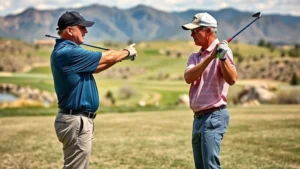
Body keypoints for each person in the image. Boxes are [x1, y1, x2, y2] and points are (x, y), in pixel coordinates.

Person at [51, 11, 137, 169]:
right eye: (82, 27)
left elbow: (97, 67)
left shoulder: (67, 52)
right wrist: (126, 52)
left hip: (76, 119)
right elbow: (106, 57)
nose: (86, 31)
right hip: (75, 120)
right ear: (70, 30)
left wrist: (118, 56)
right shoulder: (68, 52)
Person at [181, 12, 238, 169]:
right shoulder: (195, 56)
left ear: (207, 31)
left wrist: (222, 58)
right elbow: (188, 77)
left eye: (195, 31)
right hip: (198, 118)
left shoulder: (224, 53)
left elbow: (232, 79)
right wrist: (210, 57)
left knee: (210, 166)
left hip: (214, 115)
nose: (191, 35)